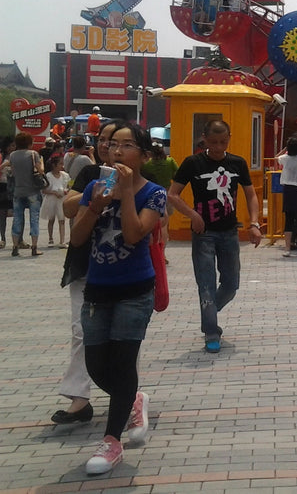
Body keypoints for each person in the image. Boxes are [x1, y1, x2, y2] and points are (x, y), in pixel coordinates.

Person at [69, 123, 165, 475]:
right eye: (113, 145)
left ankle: (111, 442)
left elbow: (135, 232)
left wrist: (125, 193)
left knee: (123, 363)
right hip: (97, 287)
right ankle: (134, 398)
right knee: (96, 365)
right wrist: (94, 205)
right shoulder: (95, 187)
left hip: (135, 290)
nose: (117, 151)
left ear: (143, 154)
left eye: (127, 145)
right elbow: (78, 238)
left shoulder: (154, 193)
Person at [167, 120, 262, 353]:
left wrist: (254, 223)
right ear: (204, 140)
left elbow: (250, 195)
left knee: (231, 283)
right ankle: (211, 330)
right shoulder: (193, 163)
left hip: (229, 231)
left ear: (229, 137)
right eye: (213, 142)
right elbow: (173, 194)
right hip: (203, 233)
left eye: (223, 142)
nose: (218, 147)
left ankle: (207, 316)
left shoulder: (237, 163)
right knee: (206, 284)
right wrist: (192, 214)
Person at [54, 120, 122, 426]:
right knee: (81, 330)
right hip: (85, 264)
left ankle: (127, 394)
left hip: (123, 268)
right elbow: (68, 208)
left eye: (117, 140)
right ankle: (79, 398)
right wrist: (91, 197)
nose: (110, 146)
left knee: (122, 334)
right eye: (105, 140)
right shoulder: (89, 174)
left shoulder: (137, 179)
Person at [8, 132, 45, 257]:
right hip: (32, 191)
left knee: (17, 218)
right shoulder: (33, 154)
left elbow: (12, 172)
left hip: (18, 191)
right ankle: (34, 248)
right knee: (34, 218)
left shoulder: (12, 155)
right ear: (29, 142)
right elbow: (40, 171)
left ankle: (15, 247)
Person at [141, 143, 178, 249]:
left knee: (152, 223)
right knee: (164, 224)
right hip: (167, 192)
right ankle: (162, 252)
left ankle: (154, 249)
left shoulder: (147, 164)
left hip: (150, 192)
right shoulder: (170, 161)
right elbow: (177, 175)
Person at [40, 154, 70, 247]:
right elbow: (44, 190)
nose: (62, 166)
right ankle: (50, 238)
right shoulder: (48, 176)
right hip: (51, 200)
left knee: (62, 220)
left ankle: (62, 241)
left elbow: (69, 186)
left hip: (61, 200)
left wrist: (66, 191)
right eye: (60, 164)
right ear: (54, 165)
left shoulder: (65, 175)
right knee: (51, 219)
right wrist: (53, 192)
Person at [0, 138, 12, 249]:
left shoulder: (15, 157)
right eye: (10, 146)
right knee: (2, 214)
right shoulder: (2, 157)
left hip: (12, 187)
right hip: (2, 186)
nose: (12, 148)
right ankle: (2, 238)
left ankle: (19, 240)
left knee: (17, 214)